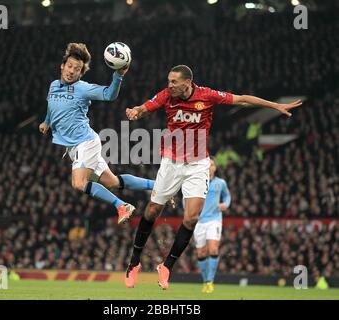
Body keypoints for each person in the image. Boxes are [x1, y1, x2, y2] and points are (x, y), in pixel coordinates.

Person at [124, 64, 302, 289]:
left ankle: (167, 265)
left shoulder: (207, 95)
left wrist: (274, 105)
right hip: (171, 162)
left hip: (198, 164)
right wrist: (135, 111)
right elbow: (144, 107)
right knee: (152, 210)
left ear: (187, 82)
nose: (169, 85)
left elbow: (242, 100)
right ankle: (134, 262)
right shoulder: (166, 96)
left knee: (191, 218)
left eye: (173, 81)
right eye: (169, 81)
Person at [39, 43, 155, 224]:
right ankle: (157, 186)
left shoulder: (82, 88)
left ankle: (121, 205)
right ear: (62, 66)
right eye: (69, 66)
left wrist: (118, 75)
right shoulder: (54, 86)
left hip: (85, 142)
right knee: (113, 183)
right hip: (73, 147)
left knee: (78, 183)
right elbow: (52, 107)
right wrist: (46, 122)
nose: (71, 71)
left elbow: (109, 95)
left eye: (76, 69)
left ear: (80, 73)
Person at [193, 157, 230, 293]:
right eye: (207, 165)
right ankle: (205, 281)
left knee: (213, 249)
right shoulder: (196, 182)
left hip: (214, 220)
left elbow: (227, 196)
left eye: (212, 165)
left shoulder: (220, 183)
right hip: (199, 221)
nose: (209, 167)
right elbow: (186, 199)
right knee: (201, 252)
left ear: (215, 168)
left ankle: (210, 281)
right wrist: (189, 210)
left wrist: (225, 204)